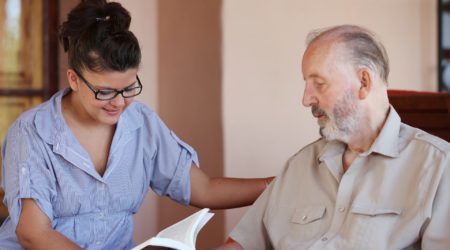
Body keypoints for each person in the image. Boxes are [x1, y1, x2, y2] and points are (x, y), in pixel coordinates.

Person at [0, 1, 273, 249]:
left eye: (129, 88)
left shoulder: (141, 123)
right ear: (73, 79)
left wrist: (282, 184)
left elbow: (204, 189)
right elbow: (33, 233)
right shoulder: (31, 132)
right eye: (105, 92)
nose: (119, 103)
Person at [220, 25, 450, 249]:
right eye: (306, 85)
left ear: (363, 82)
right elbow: (241, 244)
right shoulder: (300, 165)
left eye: (319, 84)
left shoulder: (439, 168)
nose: (306, 99)